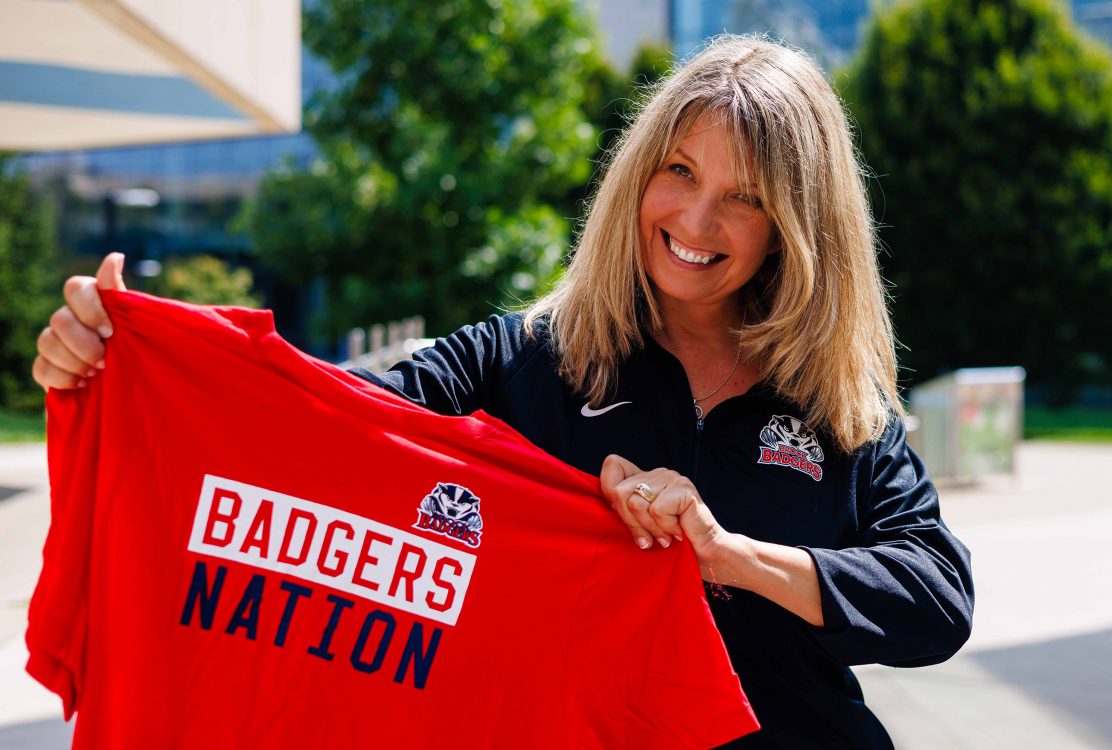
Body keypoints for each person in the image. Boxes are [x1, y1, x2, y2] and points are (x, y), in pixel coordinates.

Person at [33, 35, 974, 749]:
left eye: (747, 196)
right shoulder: (527, 357)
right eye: (679, 171)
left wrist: (727, 556)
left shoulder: (838, 405)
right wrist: (136, 360)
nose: (696, 218)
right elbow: (328, 416)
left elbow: (937, 597)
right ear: (636, 177)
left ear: (798, 225)